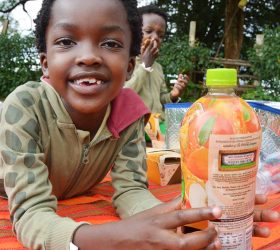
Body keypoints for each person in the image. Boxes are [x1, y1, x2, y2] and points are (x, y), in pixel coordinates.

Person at [0, 0, 278, 249]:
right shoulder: (25, 107)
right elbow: (30, 214)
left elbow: (131, 190)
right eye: (66, 41)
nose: (88, 56)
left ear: (130, 66)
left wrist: (188, 216)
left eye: (110, 43)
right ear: (45, 64)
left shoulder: (128, 112)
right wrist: (108, 239)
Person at [125, 4, 188, 121]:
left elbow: (161, 99)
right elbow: (124, 96)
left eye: (161, 35)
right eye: (148, 31)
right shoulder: (125, 62)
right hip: (135, 132)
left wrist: (173, 95)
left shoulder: (157, 67)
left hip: (158, 128)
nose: (155, 38)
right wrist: (145, 66)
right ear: (134, 32)